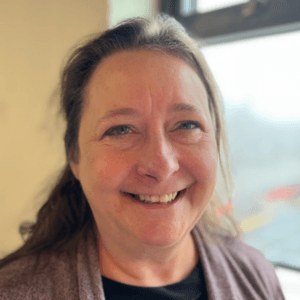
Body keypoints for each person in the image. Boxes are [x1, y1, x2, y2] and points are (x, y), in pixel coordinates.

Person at [0, 15, 285, 299]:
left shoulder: (255, 276)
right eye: (121, 130)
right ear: (75, 157)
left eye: (186, 125)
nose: (161, 165)